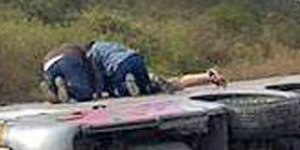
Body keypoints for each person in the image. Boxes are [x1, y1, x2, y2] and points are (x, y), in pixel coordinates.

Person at [41, 41, 225, 102]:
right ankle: (128, 85)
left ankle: (55, 89)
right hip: (132, 61)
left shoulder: (92, 52)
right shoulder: (96, 53)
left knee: (78, 90)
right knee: (88, 93)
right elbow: (175, 82)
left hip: (48, 65)